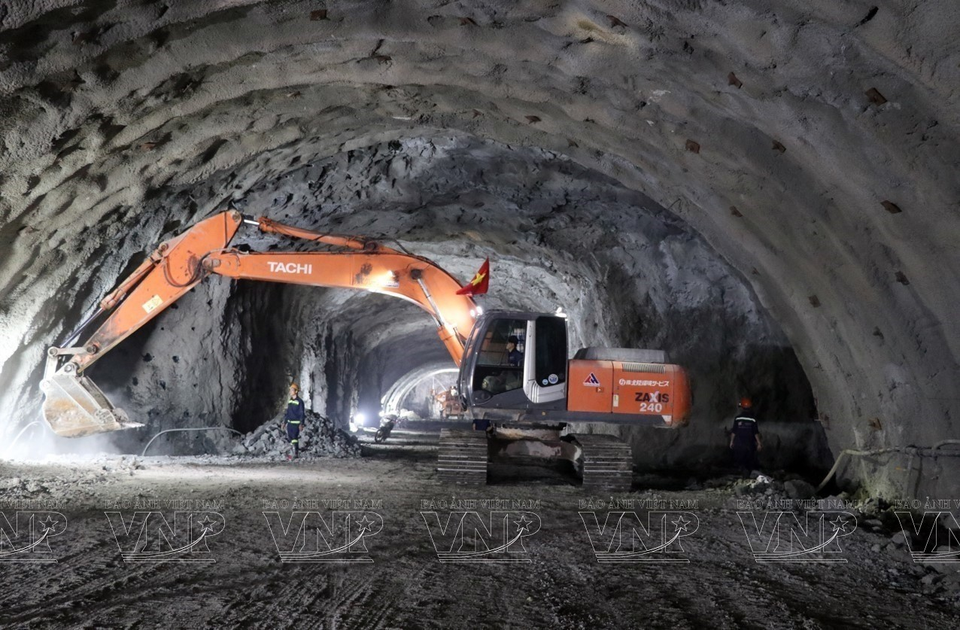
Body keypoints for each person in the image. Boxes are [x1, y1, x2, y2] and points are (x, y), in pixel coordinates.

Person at [729, 397, 762, 476]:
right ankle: (748, 474)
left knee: (740, 460)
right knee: (749, 460)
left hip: (739, 443)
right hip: (749, 443)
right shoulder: (753, 419)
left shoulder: (738, 418)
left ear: (742, 408)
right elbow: (755, 432)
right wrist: (759, 443)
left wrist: (731, 441)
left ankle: (741, 474)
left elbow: (734, 431)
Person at [283, 383, 306, 460]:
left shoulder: (300, 402)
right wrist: (284, 422)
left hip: (296, 424)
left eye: (291, 390)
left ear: (296, 391)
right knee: (290, 438)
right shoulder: (290, 401)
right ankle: (291, 453)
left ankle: (295, 452)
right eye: (290, 390)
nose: (290, 391)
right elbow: (288, 413)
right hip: (289, 423)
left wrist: (301, 424)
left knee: (294, 438)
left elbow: (302, 413)